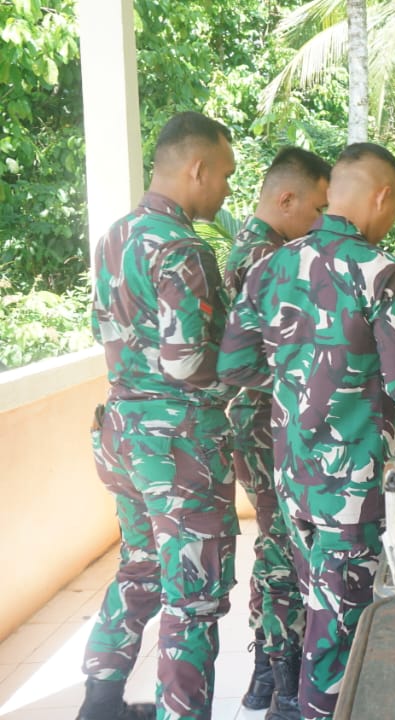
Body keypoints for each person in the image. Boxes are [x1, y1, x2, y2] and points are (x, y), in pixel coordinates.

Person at [218, 143, 395, 720]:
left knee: (317, 605)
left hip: (293, 481)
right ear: (382, 197)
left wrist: (299, 381)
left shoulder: (269, 267)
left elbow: (234, 364)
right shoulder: (382, 272)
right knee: (340, 631)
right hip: (354, 489)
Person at [81, 111, 239, 720]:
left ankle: (99, 703)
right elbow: (185, 362)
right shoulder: (182, 247)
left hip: (121, 431)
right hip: (178, 446)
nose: (225, 188)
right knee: (193, 598)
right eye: (224, 174)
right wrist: (250, 367)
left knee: (141, 567)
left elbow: (110, 333)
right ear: (196, 168)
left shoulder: (115, 237)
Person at [221, 147, 331, 712]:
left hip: (255, 420)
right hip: (266, 419)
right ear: (287, 199)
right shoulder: (270, 259)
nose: (322, 220)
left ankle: (268, 669)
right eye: (318, 207)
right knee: (285, 546)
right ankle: (283, 677)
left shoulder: (251, 246)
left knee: (273, 541)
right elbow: (258, 357)